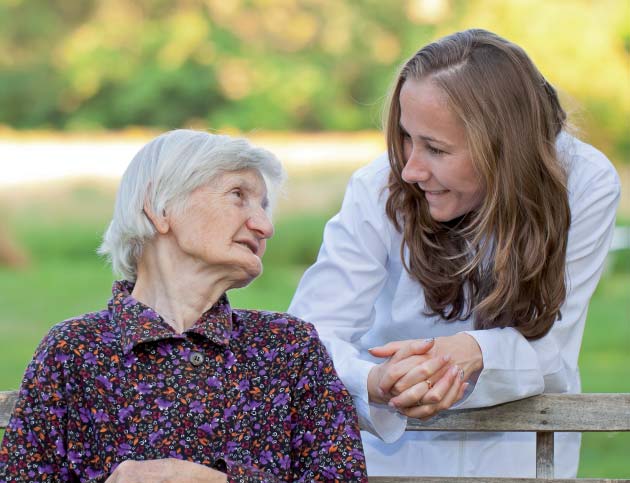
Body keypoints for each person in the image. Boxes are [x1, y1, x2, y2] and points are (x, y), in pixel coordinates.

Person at [289, 29, 620, 478]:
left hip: (518, 459)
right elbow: (309, 337)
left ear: (505, 148)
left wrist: (473, 350)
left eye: (437, 148)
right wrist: (374, 382)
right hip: (391, 461)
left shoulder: (582, 183)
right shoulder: (377, 188)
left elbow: (552, 344)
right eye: (407, 137)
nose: (410, 168)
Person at [0, 130, 368, 483]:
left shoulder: (289, 346)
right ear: (159, 207)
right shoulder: (73, 350)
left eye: (264, 206)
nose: (264, 225)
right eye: (238, 195)